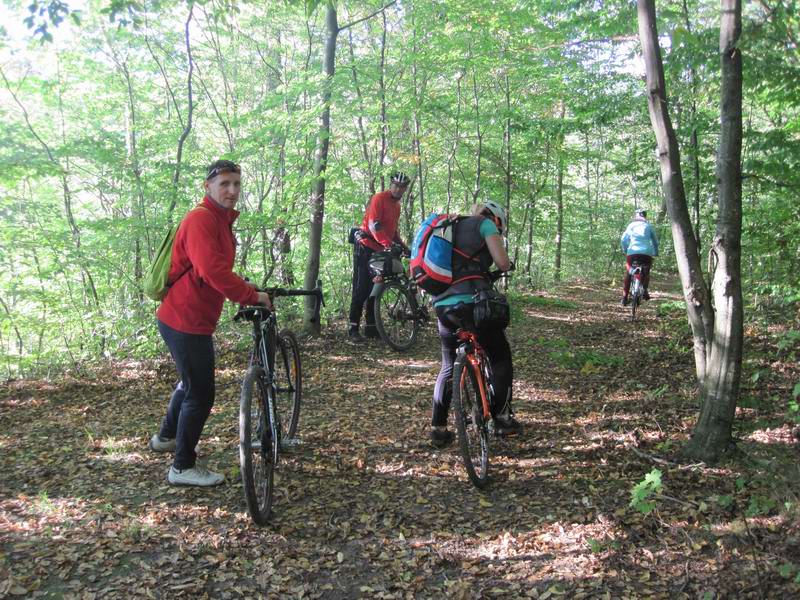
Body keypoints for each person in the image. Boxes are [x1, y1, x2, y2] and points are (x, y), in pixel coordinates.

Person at [149, 160, 272, 487]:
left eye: (236, 184)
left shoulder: (219, 220)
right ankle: (182, 466)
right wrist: (252, 296)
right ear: (208, 186)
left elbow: (215, 267)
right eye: (225, 184)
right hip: (185, 320)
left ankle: (165, 437)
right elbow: (212, 272)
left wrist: (244, 286)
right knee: (200, 394)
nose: (232, 190)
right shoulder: (202, 219)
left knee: (188, 383)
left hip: (186, 318)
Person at [429, 200, 522, 447]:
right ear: (496, 219)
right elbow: (502, 263)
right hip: (474, 303)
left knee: (448, 364)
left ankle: (438, 428)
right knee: (499, 354)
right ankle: (502, 419)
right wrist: (504, 264)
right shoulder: (485, 225)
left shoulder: (448, 227)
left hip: (443, 305)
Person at [348, 171, 410, 342]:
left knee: (377, 287)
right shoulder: (379, 199)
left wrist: (404, 247)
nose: (398, 189)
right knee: (362, 287)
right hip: (365, 246)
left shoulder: (396, 207)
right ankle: (353, 328)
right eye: (396, 185)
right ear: (391, 185)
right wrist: (389, 244)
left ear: (405, 189)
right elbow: (374, 226)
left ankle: (371, 327)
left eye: (402, 187)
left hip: (380, 249)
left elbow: (393, 231)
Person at [620, 208, 659, 306]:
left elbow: (623, 239)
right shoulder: (649, 226)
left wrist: (625, 250)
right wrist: (655, 252)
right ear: (645, 216)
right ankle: (645, 291)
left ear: (636, 216)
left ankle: (624, 298)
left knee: (629, 273)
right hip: (647, 253)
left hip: (632, 252)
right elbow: (655, 242)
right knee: (646, 272)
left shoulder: (631, 226)